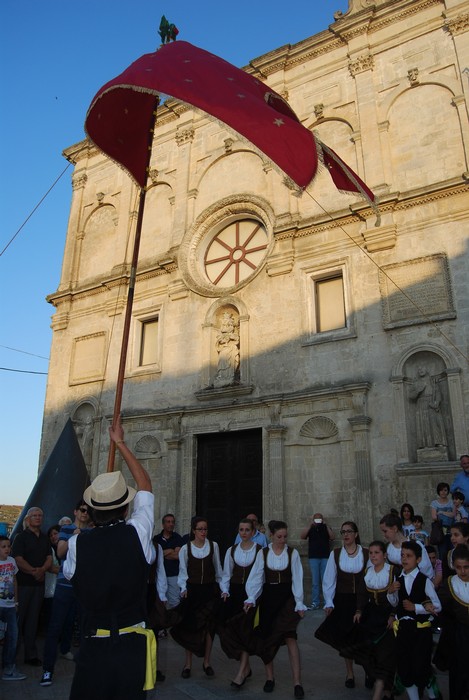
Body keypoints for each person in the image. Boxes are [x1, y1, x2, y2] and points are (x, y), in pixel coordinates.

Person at [63, 418, 157, 700]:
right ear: (126, 506)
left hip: (93, 646)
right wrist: (120, 443)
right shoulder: (138, 532)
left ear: (91, 511)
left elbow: (71, 575)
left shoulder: (77, 543)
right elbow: (145, 486)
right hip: (131, 648)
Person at [244, 519, 306, 699]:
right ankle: (269, 678)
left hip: (287, 599)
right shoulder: (263, 553)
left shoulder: (292, 553)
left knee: (290, 637)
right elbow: (256, 577)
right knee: (267, 638)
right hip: (269, 598)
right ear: (271, 536)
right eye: (279, 536)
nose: (283, 539)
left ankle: (297, 682)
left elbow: (297, 578)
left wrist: (300, 602)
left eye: (285, 536)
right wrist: (251, 598)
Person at [40, 500, 93, 686]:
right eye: (82, 510)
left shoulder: (93, 532)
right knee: (56, 626)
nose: (85, 513)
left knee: (87, 629)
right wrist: (74, 537)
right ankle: (47, 670)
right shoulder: (67, 529)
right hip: (65, 586)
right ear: (76, 511)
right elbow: (61, 553)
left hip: (83, 587)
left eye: (88, 511)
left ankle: (87, 670)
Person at [315, 521, 369, 690]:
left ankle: (368, 671)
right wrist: (329, 601)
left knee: (364, 637)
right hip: (343, 600)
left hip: (362, 600)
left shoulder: (366, 554)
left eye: (349, 531)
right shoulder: (336, 554)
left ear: (356, 534)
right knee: (346, 638)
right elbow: (329, 579)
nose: (345, 535)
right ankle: (350, 673)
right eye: (343, 532)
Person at [387, 540, 442, 700]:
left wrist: (416, 607)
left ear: (418, 559)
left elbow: (437, 606)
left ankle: (430, 689)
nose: (404, 559)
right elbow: (395, 603)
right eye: (402, 555)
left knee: (420, 665)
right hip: (403, 629)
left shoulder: (424, 581)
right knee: (404, 665)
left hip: (420, 630)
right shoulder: (399, 578)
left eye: (409, 556)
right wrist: (390, 592)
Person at [342, 541, 396, 700]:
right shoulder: (368, 571)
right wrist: (359, 610)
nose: (373, 556)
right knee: (369, 652)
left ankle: (381, 692)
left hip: (387, 617)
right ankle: (385, 689)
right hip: (372, 615)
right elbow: (362, 594)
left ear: (384, 555)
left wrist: (393, 614)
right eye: (371, 553)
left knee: (385, 654)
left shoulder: (393, 571)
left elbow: (400, 596)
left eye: (377, 553)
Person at [171, 516, 223, 678]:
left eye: (205, 529)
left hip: (209, 591)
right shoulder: (186, 549)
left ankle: (207, 662)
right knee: (190, 628)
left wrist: (223, 589)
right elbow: (182, 572)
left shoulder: (213, 546)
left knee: (209, 628)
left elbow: (219, 571)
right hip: (192, 592)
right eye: (200, 529)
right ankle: (188, 664)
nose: (203, 532)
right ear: (194, 530)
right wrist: (183, 588)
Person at [219, 518, 261, 688]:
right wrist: (225, 590)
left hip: (250, 595)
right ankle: (246, 667)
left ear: (253, 532)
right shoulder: (232, 550)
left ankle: (241, 673)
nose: (244, 533)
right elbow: (226, 573)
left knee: (245, 632)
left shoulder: (260, 551)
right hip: (235, 594)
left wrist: (252, 597)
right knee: (233, 631)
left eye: (247, 530)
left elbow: (259, 575)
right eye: (241, 530)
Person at [11, 506, 52, 665]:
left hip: (38, 585)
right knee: (18, 620)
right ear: (28, 518)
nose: (37, 517)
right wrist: (34, 572)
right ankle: (11, 656)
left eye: (40, 515)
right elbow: (18, 559)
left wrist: (42, 570)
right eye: (34, 515)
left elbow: (49, 557)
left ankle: (30, 655)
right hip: (24, 585)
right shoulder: (21, 537)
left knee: (33, 621)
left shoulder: (44, 537)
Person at [433, 545, 469, 700]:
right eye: (459, 567)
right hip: (458, 635)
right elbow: (441, 608)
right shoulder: (449, 584)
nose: (463, 571)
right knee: (460, 672)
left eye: (466, 567)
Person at [0, 535, 26, 681]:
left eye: (8, 546)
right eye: (3, 547)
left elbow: (14, 580)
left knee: (12, 636)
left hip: (10, 605)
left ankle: (8, 668)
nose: (7, 549)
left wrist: (16, 602)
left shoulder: (12, 561)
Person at [379, 513, 433, 579]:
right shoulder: (387, 548)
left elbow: (426, 569)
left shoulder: (415, 544)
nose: (384, 535)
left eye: (385, 531)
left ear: (395, 528)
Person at [300, 512, 334, 609]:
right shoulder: (311, 528)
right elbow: (302, 536)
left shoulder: (326, 527)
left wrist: (326, 525)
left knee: (326, 581)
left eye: (320, 519)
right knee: (315, 582)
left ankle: (327, 601)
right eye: (316, 519)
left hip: (325, 557)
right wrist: (310, 525)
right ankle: (315, 602)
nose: (318, 520)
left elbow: (332, 537)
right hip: (313, 557)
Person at [154, 514, 184, 610]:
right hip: (159, 576)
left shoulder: (178, 537)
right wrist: (171, 550)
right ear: (163, 524)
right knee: (159, 601)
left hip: (173, 574)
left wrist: (162, 553)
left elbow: (177, 555)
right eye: (168, 522)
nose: (171, 524)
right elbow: (155, 556)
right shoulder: (156, 539)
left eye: (172, 522)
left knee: (174, 601)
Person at [430, 482, 454, 563]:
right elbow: (434, 517)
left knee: (452, 551)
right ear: (438, 491)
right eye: (441, 490)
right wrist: (448, 514)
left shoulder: (452, 502)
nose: (443, 492)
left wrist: (442, 512)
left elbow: (453, 515)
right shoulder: (434, 503)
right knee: (442, 553)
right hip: (440, 532)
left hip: (451, 531)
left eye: (445, 490)